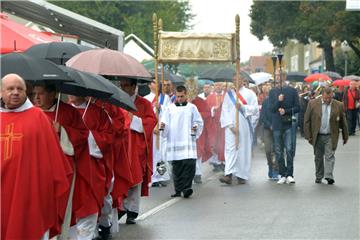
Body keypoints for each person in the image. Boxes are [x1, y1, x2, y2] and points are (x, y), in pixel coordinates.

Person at [1, 74, 70, 240]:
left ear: (26, 92)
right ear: (1, 92)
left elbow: (53, 160)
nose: (15, 92)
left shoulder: (38, 117)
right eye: (10, 89)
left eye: (20, 89)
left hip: (30, 193)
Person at [32, 84, 99, 239]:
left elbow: (83, 136)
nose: (36, 98)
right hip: (38, 170)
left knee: (60, 208)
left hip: (63, 170)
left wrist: (62, 131)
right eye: (34, 94)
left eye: (40, 94)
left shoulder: (68, 112)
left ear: (53, 94)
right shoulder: (32, 113)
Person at [68, 95, 114, 240]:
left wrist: (84, 136)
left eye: (74, 92)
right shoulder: (64, 111)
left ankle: (96, 230)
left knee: (88, 206)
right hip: (70, 167)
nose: (70, 95)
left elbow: (108, 138)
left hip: (91, 167)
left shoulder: (98, 113)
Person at [118, 78, 157, 224]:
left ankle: (132, 211)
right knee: (121, 175)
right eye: (121, 85)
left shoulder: (144, 103)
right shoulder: (117, 101)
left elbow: (151, 121)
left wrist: (134, 119)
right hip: (122, 145)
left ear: (134, 87)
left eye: (126, 85)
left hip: (137, 146)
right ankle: (121, 207)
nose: (123, 88)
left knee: (135, 177)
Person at [160, 85, 204, 198]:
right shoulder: (169, 108)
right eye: (178, 96)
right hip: (174, 141)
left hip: (187, 140)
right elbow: (164, 123)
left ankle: (187, 188)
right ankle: (178, 190)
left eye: (182, 96)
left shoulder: (192, 107)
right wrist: (163, 127)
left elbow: (199, 122)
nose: (179, 98)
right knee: (177, 167)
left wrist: (195, 127)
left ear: (186, 95)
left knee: (189, 165)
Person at [219, 75, 259, 185]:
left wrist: (242, 107)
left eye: (237, 79)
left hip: (244, 125)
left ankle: (242, 174)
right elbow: (225, 110)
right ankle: (228, 174)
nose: (235, 81)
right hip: (231, 126)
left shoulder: (250, 94)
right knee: (230, 149)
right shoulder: (229, 94)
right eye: (233, 80)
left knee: (243, 149)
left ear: (243, 80)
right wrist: (230, 126)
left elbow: (255, 109)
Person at [304, 86, 348, 184]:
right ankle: (319, 176)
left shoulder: (339, 105)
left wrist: (345, 136)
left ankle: (328, 176)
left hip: (330, 135)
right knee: (318, 157)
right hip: (318, 135)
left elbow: (343, 122)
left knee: (330, 156)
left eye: (330, 98)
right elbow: (307, 120)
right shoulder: (312, 104)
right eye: (326, 98)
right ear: (322, 95)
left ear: (332, 95)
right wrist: (308, 135)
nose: (328, 100)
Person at [268, 72, 300, 184]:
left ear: (284, 77)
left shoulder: (292, 91)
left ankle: (290, 174)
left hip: (289, 123)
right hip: (277, 124)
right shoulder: (272, 92)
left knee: (289, 149)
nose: (277, 78)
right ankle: (282, 174)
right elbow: (271, 109)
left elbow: (297, 108)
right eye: (276, 76)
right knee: (278, 151)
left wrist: (285, 111)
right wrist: (278, 101)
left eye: (279, 76)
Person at [144, 80, 171, 187]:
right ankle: (153, 178)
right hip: (152, 131)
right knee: (153, 154)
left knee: (162, 154)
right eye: (154, 82)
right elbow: (145, 116)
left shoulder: (165, 98)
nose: (157, 84)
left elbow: (169, 112)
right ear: (149, 85)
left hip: (162, 130)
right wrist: (151, 127)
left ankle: (162, 176)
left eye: (158, 82)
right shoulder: (146, 98)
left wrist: (161, 107)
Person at [259, 84, 278, 180]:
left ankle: (275, 169)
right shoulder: (265, 102)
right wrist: (269, 125)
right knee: (268, 150)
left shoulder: (279, 102)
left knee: (276, 149)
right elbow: (262, 116)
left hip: (277, 129)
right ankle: (270, 165)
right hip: (267, 129)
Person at [206, 82, 226, 172]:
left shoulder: (226, 96)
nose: (218, 87)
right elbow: (207, 109)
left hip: (224, 123)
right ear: (214, 87)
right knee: (214, 142)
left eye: (220, 85)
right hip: (213, 123)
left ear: (222, 86)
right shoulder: (209, 97)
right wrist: (214, 108)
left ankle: (223, 162)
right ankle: (216, 162)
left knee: (223, 142)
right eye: (216, 85)